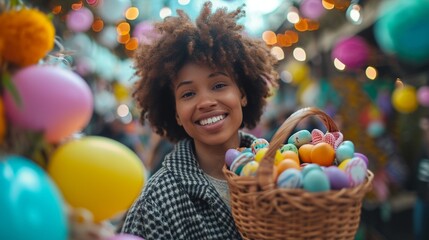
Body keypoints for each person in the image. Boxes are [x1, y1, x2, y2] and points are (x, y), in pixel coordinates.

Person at [121, 2, 278, 239]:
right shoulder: (154, 205)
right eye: (188, 94)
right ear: (175, 112)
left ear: (242, 94)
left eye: (219, 85)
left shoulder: (285, 170)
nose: (205, 102)